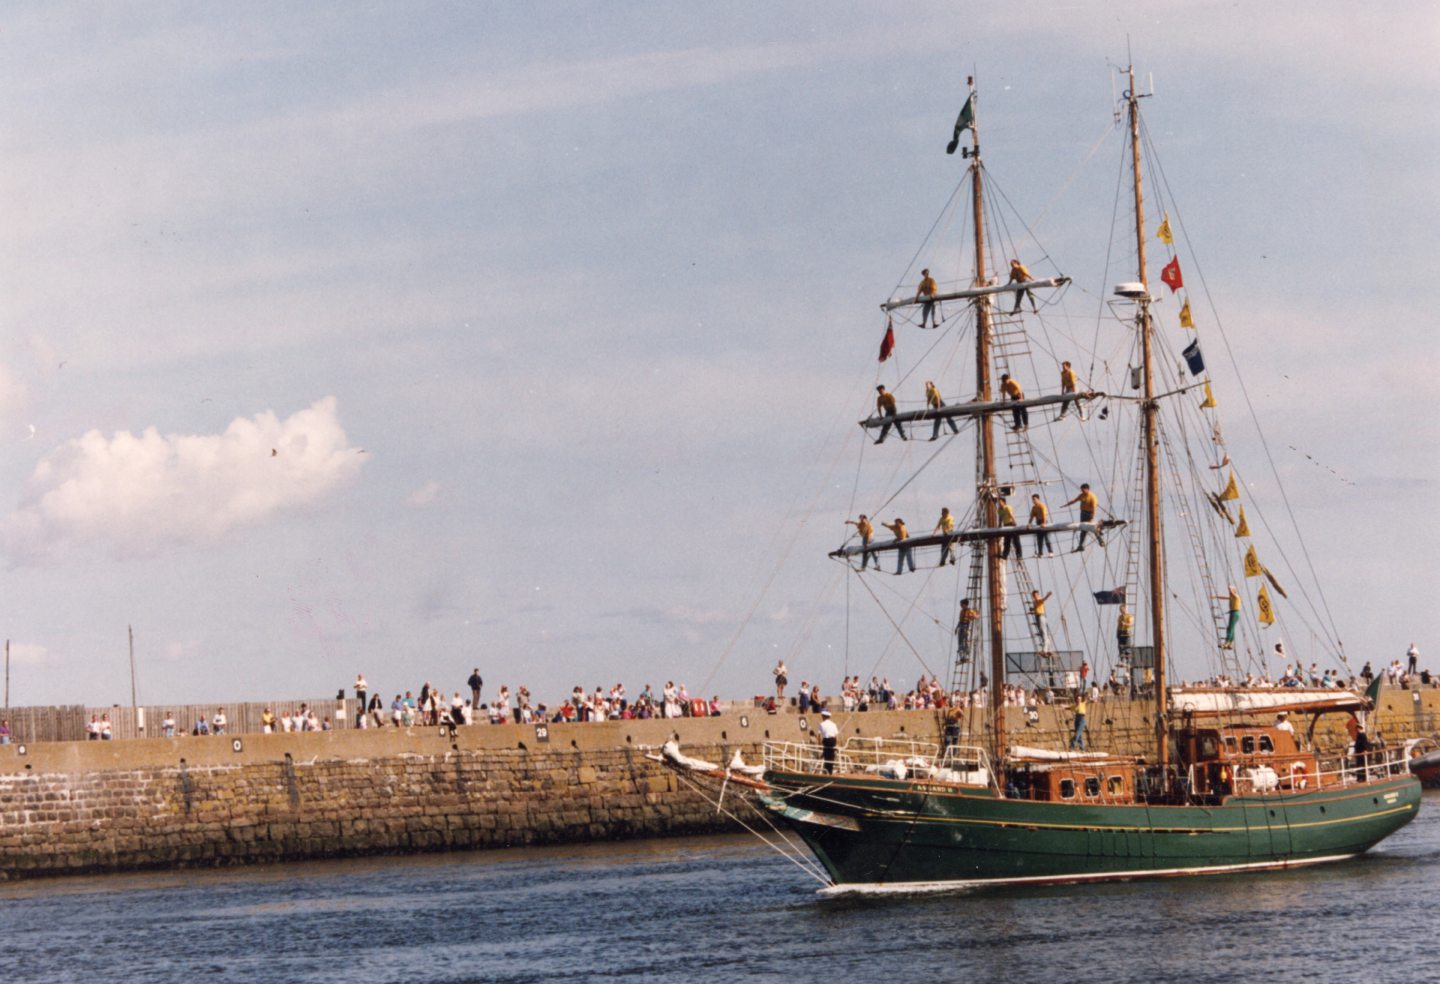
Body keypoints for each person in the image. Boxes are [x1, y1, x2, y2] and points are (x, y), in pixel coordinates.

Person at [1063, 483, 1101, 551]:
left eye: (1083, 490)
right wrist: (1066, 505)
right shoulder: (1082, 495)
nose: (1082, 491)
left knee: (1092, 527)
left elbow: (1094, 508)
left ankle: (1100, 540)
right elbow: (1074, 500)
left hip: (1089, 514)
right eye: (1081, 490)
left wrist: (1092, 516)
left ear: (1087, 489)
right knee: (1083, 529)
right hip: (1083, 513)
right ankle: (1081, 545)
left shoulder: (1092, 497)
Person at [1214, 584, 1241, 649]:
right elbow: (1224, 597)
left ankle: (1227, 642)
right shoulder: (1232, 597)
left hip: (1234, 613)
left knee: (1229, 628)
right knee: (1232, 628)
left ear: (1234, 591)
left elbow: (1232, 593)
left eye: (1231, 591)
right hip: (1234, 613)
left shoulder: (1236, 596)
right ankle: (1230, 643)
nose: (1229, 593)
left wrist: (1230, 588)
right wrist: (1217, 597)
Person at [1030, 590, 1053, 654]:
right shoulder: (1034, 601)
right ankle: (1049, 649)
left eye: (1036, 595)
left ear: (1038, 595)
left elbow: (1043, 599)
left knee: (1043, 632)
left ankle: (1045, 649)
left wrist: (1047, 595)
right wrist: (1032, 609)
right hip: (1037, 616)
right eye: (1034, 595)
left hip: (1041, 616)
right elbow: (1036, 608)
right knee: (1042, 632)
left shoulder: (1039, 599)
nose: (1035, 596)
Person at [818, 709, 840, 773]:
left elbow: (819, 735)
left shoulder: (822, 724)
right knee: (831, 756)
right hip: (832, 740)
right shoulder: (833, 724)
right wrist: (836, 744)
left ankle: (827, 770)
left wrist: (819, 744)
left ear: (824, 716)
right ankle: (830, 771)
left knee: (826, 756)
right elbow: (836, 735)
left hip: (826, 740)